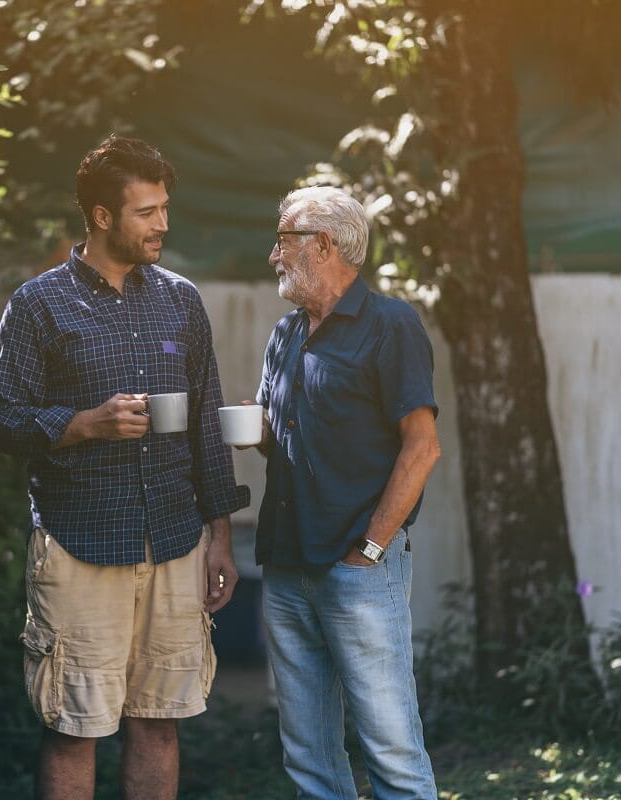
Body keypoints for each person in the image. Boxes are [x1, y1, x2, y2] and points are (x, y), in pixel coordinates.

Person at [0, 134, 247, 800]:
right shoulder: (39, 304)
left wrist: (221, 537)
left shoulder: (181, 301)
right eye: (145, 211)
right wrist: (80, 425)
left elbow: (206, 429)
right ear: (102, 216)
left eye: (163, 208)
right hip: (79, 544)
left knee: (159, 724)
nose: (162, 223)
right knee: (75, 727)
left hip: (174, 542)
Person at [252, 186, 441, 799]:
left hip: (357, 571)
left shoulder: (391, 325)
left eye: (283, 239)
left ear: (324, 245)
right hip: (284, 568)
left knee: (391, 751)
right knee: (309, 759)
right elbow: (283, 436)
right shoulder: (284, 335)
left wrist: (372, 550)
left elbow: (422, 448)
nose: (274, 255)